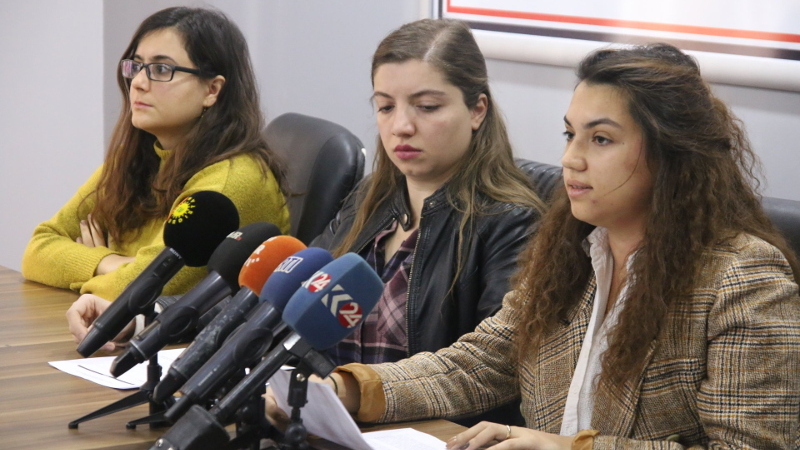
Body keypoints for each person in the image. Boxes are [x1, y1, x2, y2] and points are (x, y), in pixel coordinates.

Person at [279, 43, 800, 449]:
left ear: (671, 155)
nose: (571, 159)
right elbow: (478, 364)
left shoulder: (742, 281)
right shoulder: (574, 254)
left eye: (600, 139)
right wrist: (345, 391)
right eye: (570, 135)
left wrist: (570, 448)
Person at [21, 7, 290, 350]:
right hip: (128, 344)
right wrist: (108, 262)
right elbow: (38, 249)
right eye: (136, 66)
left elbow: (138, 292)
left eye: (161, 69)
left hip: (190, 359)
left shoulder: (230, 184)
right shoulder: (137, 158)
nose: (138, 82)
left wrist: (101, 270)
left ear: (212, 90)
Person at [312, 19, 544, 369]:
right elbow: (299, 301)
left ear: (477, 110)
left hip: (414, 408)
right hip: (323, 399)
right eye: (386, 107)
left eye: (427, 106)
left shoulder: (512, 222)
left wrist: (357, 391)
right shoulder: (369, 196)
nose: (401, 126)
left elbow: (492, 367)